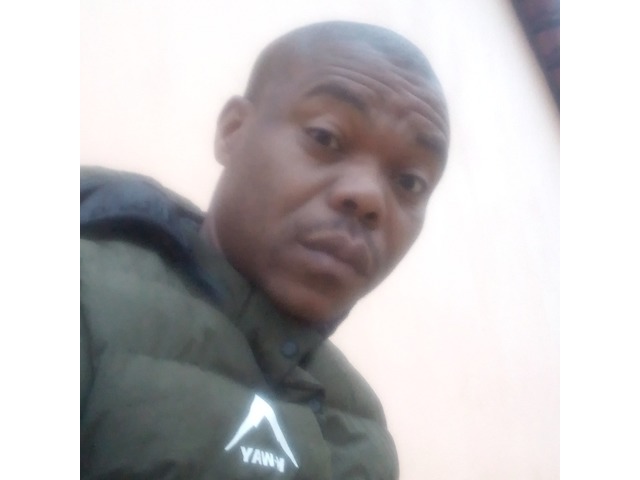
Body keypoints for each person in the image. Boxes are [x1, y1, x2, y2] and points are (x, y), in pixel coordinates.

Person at [80, 20, 449, 479]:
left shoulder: (363, 432)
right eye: (325, 138)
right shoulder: (82, 297)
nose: (368, 197)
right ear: (233, 130)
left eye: (410, 182)